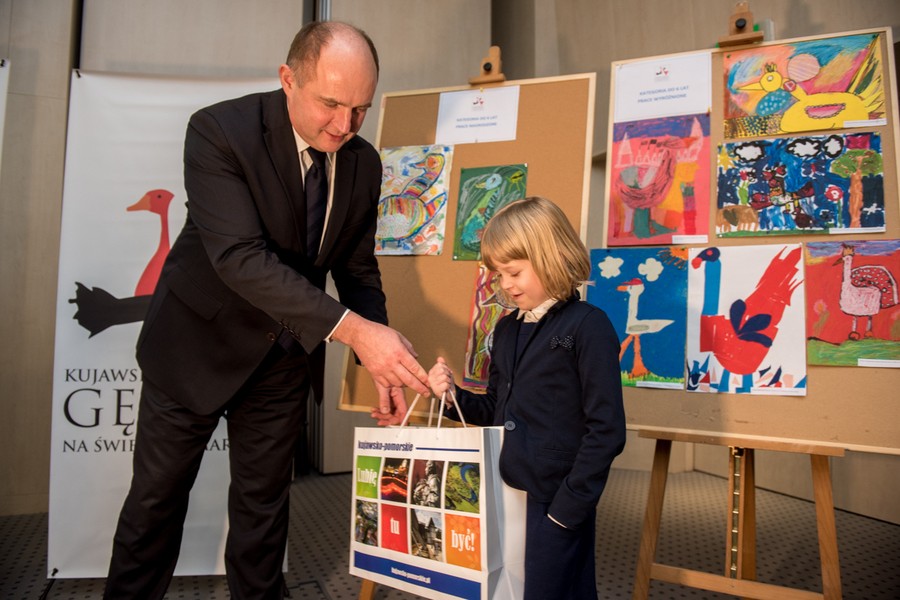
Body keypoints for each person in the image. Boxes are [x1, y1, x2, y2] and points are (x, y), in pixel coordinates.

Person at [104, 21, 430, 600]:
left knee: (264, 515)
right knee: (155, 506)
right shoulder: (218, 131)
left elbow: (356, 270)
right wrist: (356, 334)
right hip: (194, 348)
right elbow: (239, 258)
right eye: (331, 104)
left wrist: (378, 361)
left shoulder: (363, 162)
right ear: (288, 79)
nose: (345, 126)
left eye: (360, 108)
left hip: (281, 355)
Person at [427, 196, 626, 600]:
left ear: (551, 257)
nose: (505, 285)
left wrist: (567, 510)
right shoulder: (505, 329)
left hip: (556, 501)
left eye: (514, 272)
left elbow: (607, 430)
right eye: (499, 275)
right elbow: (495, 408)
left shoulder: (588, 326)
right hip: (505, 493)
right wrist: (451, 397)